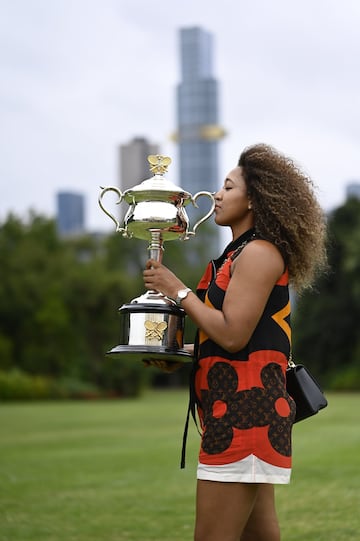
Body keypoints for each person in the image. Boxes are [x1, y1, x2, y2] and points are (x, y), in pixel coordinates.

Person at [143, 143, 327, 541]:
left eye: (228, 187)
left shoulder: (259, 253)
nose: (217, 195)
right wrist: (177, 353)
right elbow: (234, 340)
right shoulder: (238, 253)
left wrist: (177, 290)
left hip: (245, 417)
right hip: (243, 416)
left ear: (254, 200)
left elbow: (231, 335)